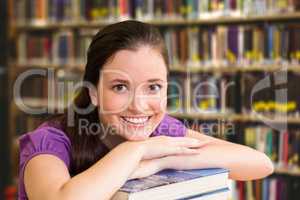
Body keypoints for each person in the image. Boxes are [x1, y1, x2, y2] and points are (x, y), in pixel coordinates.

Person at [19, 20, 274, 200]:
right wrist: (136, 151)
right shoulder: (50, 140)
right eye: (120, 87)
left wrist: (161, 159)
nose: (138, 106)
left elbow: (260, 164)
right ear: (94, 92)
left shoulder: (161, 131)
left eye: (153, 87)